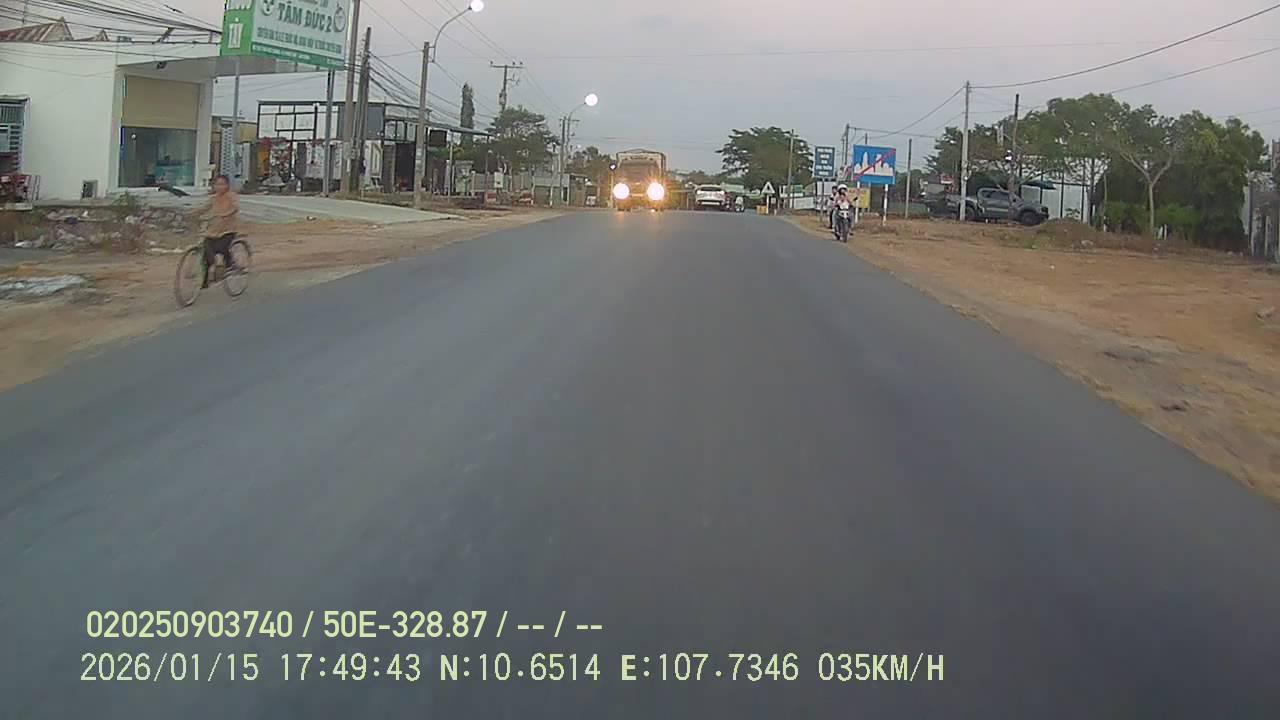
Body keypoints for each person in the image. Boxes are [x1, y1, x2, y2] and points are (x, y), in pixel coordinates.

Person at [197, 174, 240, 289]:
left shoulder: (231, 196)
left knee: (221, 247)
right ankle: (205, 280)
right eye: (217, 184)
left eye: (222, 184)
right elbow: (203, 208)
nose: (219, 187)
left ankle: (230, 263)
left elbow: (235, 207)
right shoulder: (214, 199)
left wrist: (225, 214)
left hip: (228, 230)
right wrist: (192, 214)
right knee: (206, 249)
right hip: (214, 230)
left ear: (227, 185)